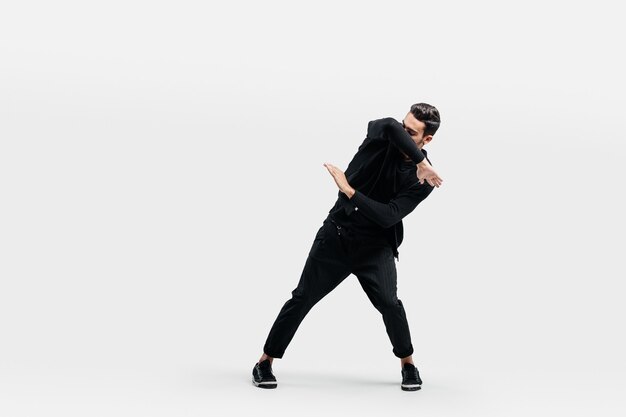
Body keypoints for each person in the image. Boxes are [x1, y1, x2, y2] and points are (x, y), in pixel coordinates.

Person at [252, 103, 443, 391]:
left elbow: (389, 215)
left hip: (376, 248)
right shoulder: (381, 136)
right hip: (336, 238)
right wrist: (422, 161)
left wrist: (350, 191)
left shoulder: (425, 182)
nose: (402, 133)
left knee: (391, 305)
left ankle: (408, 364)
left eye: (411, 132)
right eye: (404, 126)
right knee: (302, 298)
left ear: (427, 139)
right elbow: (391, 126)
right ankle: (264, 361)